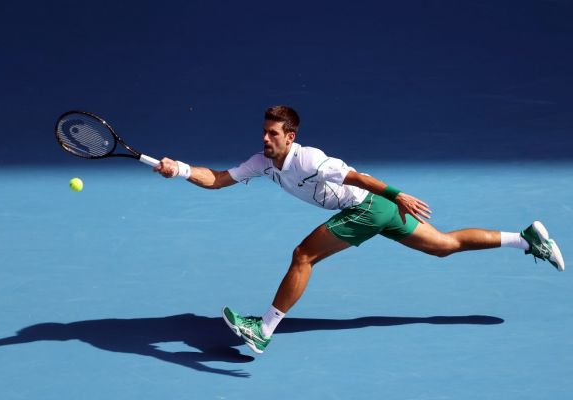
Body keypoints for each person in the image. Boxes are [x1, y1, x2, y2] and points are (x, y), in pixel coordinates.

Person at [154, 105, 565, 354]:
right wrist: (181, 170)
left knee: (303, 256)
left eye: (272, 133)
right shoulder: (262, 163)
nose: (265, 138)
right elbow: (220, 178)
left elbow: (359, 177)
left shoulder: (309, 159)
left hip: (371, 206)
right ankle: (524, 239)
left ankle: (263, 329)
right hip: (379, 210)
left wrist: (399, 194)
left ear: (290, 137)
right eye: (263, 131)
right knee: (443, 245)